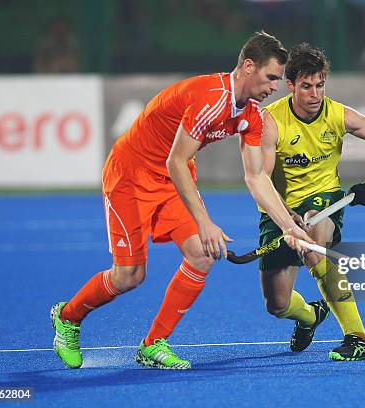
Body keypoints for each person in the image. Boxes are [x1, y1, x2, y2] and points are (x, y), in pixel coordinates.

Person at [51, 31, 312, 370]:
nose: (275, 86)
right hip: (132, 175)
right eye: (271, 77)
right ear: (249, 66)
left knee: (202, 255)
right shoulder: (212, 100)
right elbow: (175, 161)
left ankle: (153, 344)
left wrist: (290, 226)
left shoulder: (252, 114)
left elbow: (256, 176)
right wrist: (205, 222)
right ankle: (68, 317)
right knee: (129, 276)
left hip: (173, 177)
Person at [259, 43, 365, 360]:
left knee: (315, 242)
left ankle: (359, 338)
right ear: (291, 85)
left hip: (324, 200)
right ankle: (310, 316)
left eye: (320, 85)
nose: (314, 94)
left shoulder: (337, 114)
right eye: (306, 86)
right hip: (280, 210)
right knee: (277, 304)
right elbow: (262, 179)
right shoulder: (271, 121)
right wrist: (285, 218)